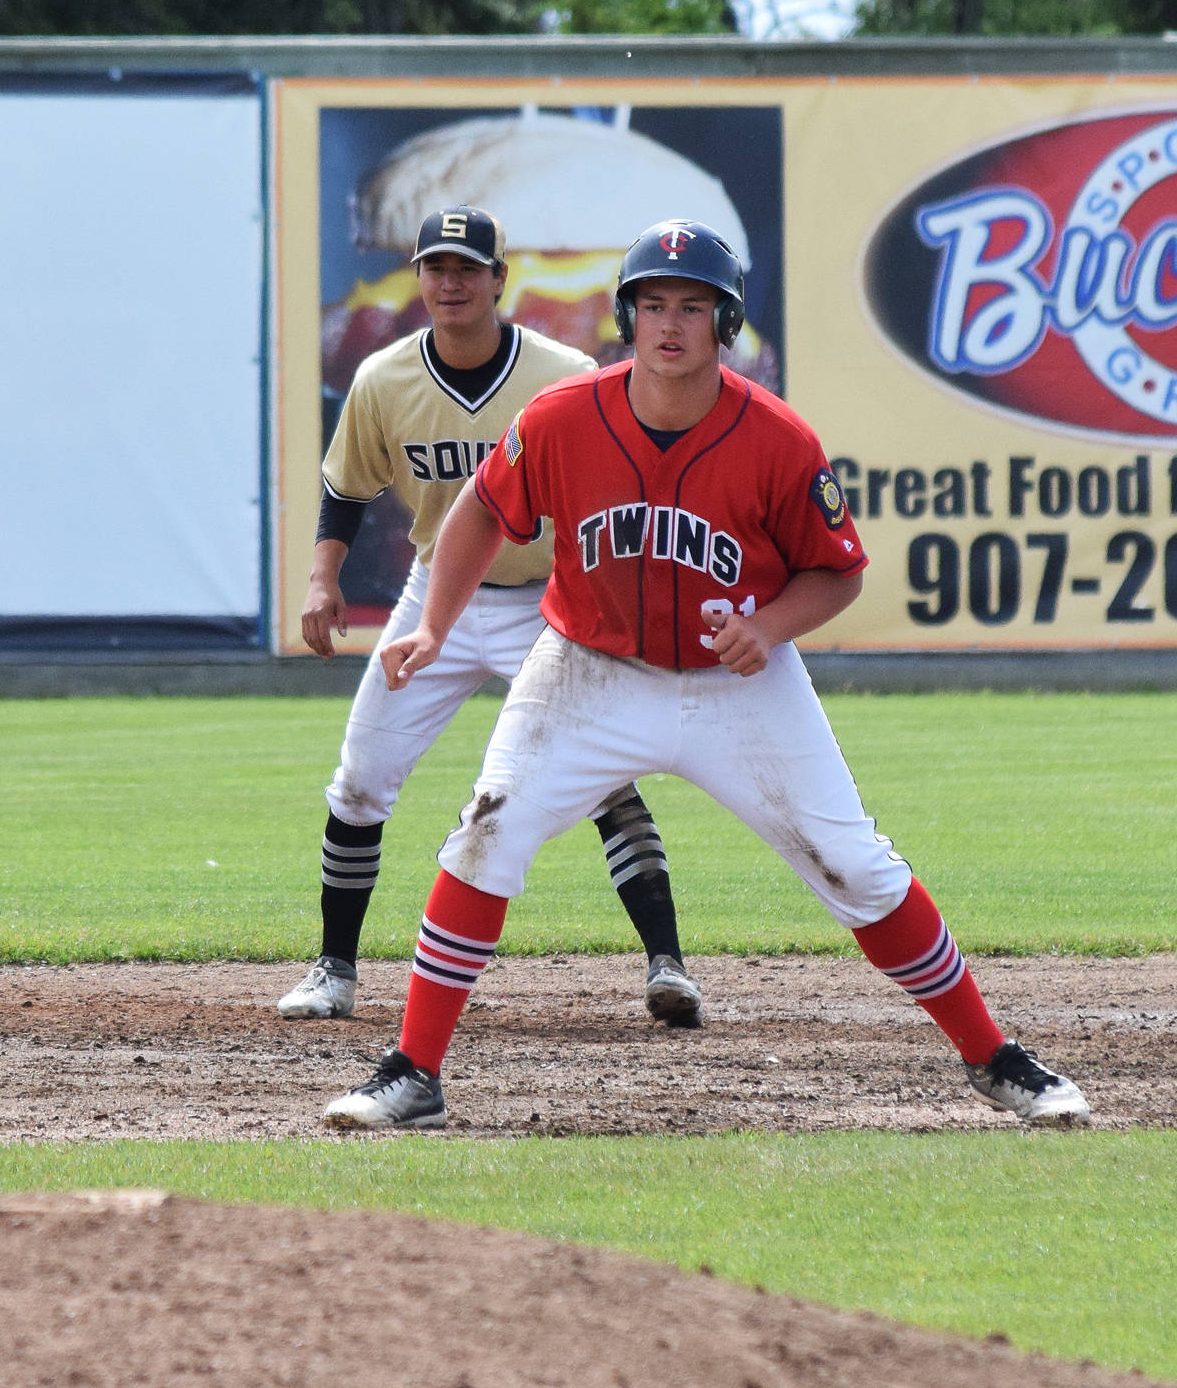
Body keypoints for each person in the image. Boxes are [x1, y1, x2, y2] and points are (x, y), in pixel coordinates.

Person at [322, 218, 1092, 1131]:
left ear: (725, 322)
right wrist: (436, 626)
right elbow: (482, 513)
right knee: (484, 838)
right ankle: (414, 1072)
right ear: (627, 316)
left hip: (740, 687)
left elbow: (839, 568)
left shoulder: (775, 438)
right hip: (587, 672)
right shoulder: (565, 416)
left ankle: (994, 1058)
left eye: (693, 306)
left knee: (855, 865)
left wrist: (768, 628)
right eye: (652, 304)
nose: (670, 324)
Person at [281, 204, 702, 1028]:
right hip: (436, 595)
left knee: (606, 780)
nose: (450, 282)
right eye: (436, 267)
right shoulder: (384, 379)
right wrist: (321, 579)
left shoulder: (561, 370)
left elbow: (618, 483)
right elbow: (346, 486)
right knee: (361, 776)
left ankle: (669, 967)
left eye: (467, 268)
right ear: (419, 277)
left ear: (499, 280)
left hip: (546, 602)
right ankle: (333, 969)